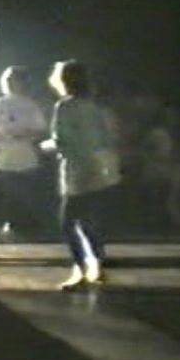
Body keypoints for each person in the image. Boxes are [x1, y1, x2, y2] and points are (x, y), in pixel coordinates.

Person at [47, 60, 121, 290]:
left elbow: (61, 139)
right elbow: (107, 138)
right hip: (97, 169)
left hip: (76, 170)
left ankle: (79, 269)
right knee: (88, 221)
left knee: (67, 223)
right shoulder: (94, 107)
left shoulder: (64, 107)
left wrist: (47, 146)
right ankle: (97, 265)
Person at [0, 66, 48, 242]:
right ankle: (14, 227)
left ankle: (23, 228)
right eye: (7, 80)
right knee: (10, 194)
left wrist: (22, 134)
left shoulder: (30, 104)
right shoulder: (0, 102)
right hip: (4, 154)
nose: (10, 84)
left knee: (21, 193)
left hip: (23, 155)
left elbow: (39, 128)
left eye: (13, 80)